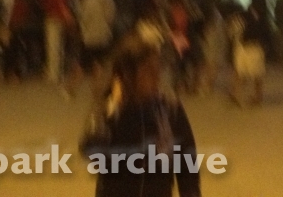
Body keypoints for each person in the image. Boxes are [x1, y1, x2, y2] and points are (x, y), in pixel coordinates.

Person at [82, 36, 200, 197]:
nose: (156, 76)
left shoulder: (170, 109)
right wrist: (114, 110)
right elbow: (92, 153)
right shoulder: (108, 109)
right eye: (148, 71)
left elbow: (187, 161)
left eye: (157, 68)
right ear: (128, 75)